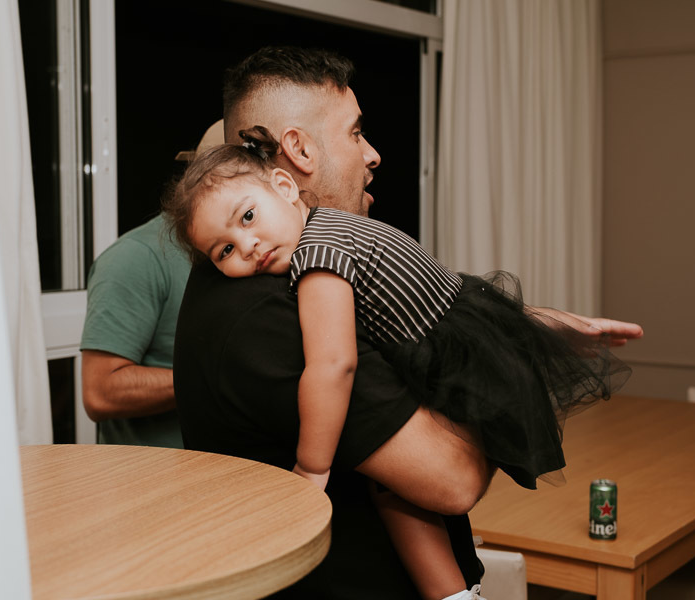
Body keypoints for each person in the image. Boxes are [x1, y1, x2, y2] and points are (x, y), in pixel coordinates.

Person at [171, 46, 642, 600]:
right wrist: (510, 349)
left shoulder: (307, 262)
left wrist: (529, 321)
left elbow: (422, 297)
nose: (372, 154)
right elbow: (454, 477)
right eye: (354, 133)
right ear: (296, 150)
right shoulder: (268, 312)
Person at [80, 214, 190, 447]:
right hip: (153, 475)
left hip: (237, 469)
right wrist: (211, 380)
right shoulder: (136, 255)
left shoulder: (251, 249)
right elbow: (100, 392)